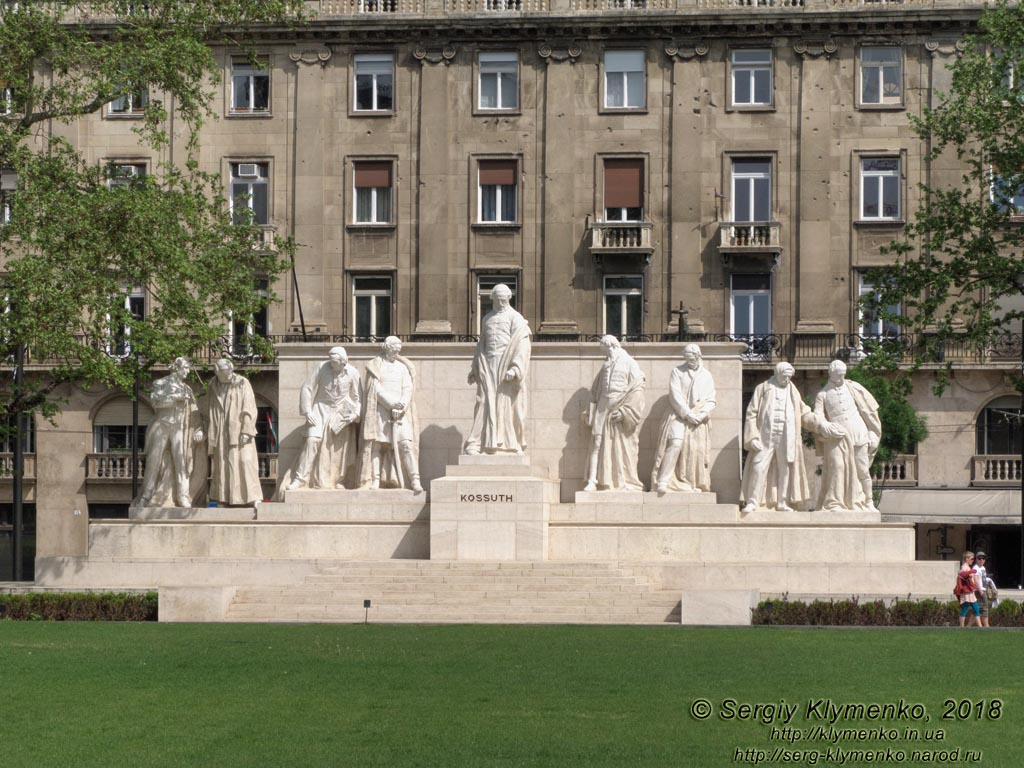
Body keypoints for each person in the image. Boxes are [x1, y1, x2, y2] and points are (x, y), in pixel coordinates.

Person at [464, 283, 531, 455]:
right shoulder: (486, 318)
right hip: (487, 365)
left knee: (505, 404)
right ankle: (477, 443)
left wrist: (515, 369)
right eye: (497, 299)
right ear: (492, 298)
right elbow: (481, 345)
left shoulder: (516, 318)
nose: (501, 302)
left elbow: (522, 344)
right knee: (482, 402)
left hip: (505, 366)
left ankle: (507, 444)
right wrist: (474, 368)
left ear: (509, 298)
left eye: (504, 299)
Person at [740, 362, 814, 513]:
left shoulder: (793, 391)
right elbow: (751, 413)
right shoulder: (763, 388)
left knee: (785, 468)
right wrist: (752, 436)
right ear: (777, 373)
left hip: (786, 436)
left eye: (789, 377)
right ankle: (753, 501)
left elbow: (804, 411)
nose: (787, 380)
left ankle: (782, 502)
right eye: (785, 377)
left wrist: (821, 425)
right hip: (765, 436)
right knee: (758, 466)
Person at [286, 346, 361, 490]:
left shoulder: (353, 373)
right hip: (320, 409)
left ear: (343, 362)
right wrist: (307, 411)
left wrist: (355, 415)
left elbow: (357, 398)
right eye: (330, 361)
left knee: (340, 446)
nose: (331, 364)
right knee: (312, 440)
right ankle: (300, 479)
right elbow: (307, 387)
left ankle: (340, 480)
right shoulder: (321, 367)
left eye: (334, 362)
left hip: (340, 412)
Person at [813, 359, 882, 512]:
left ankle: (868, 501)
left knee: (862, 470)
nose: (842, 378)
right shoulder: (822, 394)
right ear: (831, 374)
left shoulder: (854, 388)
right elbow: (818, 415)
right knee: (837, 468)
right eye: (839, 375)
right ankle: (836, 502)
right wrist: (824, 424)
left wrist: (873, 434)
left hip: (859, 433)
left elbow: (869, 412)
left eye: (843, 375)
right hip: (837, 438)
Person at [136, 357, 203, 508]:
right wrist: (175, 397)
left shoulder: (187, 389)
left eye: (188, 369)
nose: (187, 372)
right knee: (154, 461)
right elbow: (156, 402)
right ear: (176, 367)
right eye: (185, 368)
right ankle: (146, 496)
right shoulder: (161, 383)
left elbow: (194, 412)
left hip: (179, 428)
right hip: (162, 424)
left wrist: (199, 428)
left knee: (181, 461)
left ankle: (183, 496)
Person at [583, 336, 646, 491]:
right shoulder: (605, 365)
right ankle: (592, 480)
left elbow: (638, 386)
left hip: (619, 406)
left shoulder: (629, 362)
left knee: (620, 444)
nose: (604, 353)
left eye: (604, 349)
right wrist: (588, 410)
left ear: (611, 346)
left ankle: (621, 480)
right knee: (597, 442)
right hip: (603, 406)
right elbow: (595, 391)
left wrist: (625, 411)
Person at [359, 337, 422, 492]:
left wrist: (401, 406)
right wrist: (392, 404)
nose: (397, 352)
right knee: (377, 445)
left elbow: (408, 389)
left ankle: (415, 480)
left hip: (401, 413)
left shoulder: (402, 368)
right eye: (394, 349)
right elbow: (375, 389)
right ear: (387, 347)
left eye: (399, 349)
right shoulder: (375, 365)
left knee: (406, 444)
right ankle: (376, 479)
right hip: (381, 411)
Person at [651, 344, 716, 493]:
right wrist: (687, 414)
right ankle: (663, 480)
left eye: (691, 358)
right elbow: (675, 395)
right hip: (678, 415)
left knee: (695, 449)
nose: (689, 361)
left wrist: (702, 414)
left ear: (698, 356)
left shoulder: (706, 375)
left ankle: (690, 482)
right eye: (686, 358)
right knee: (675, 443)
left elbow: (712, 399)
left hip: (699, 418)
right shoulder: (677, 372)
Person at [205, 358, 262, 506]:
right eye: (225, 372)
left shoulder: (242, 382)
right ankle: (223, 498)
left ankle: (253, 497)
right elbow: (207, 407)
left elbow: (249, 406)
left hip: (239, 429)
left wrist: (246, 429)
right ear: (217, 373)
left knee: (245, 461)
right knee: (222, 465)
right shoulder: (213, 385)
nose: (229, 374)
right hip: (220, 430)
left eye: (230, 371)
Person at [957, 551, 982, 628]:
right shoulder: (964, 567)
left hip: (970, 592)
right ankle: (962, 627)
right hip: (967, 592)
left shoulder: (967, 567)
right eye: (971, 559)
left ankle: (980, 626)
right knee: (965, 608)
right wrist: (971, 572)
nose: (972, 560)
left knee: (976, 609)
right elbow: (962, 575)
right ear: (967, 558)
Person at [974, 551, 991, 628]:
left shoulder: (983, 568)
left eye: (983, 558)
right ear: (976, 559)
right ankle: (986, 626)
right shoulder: (976, 568)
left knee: (978, 608)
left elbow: (983, 579)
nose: (981, 560)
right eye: (979, 558)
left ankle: (968, 626)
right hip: (979, 591)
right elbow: (976, 580)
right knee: (984, 608)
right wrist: (980, 591)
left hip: (983, 589)